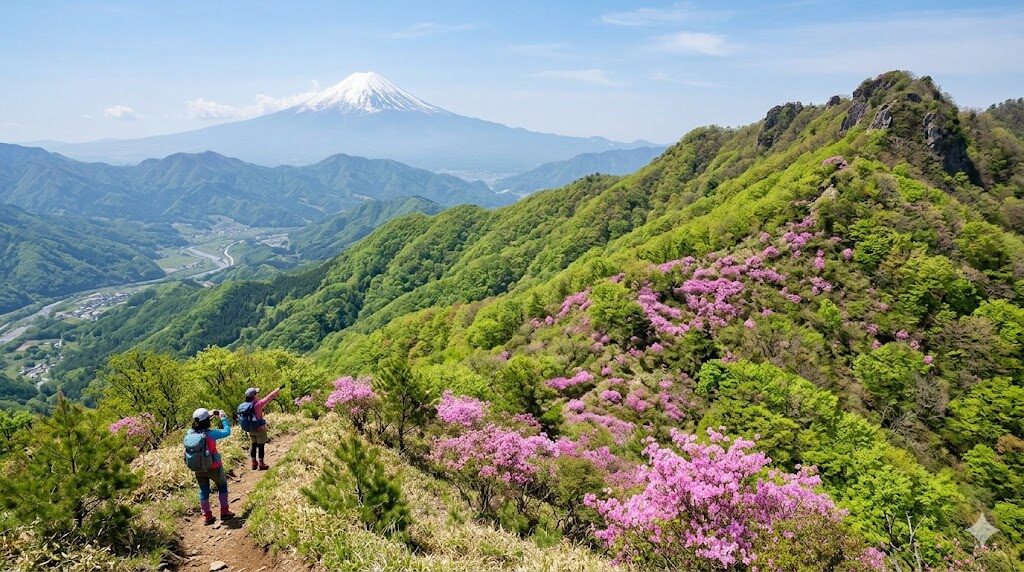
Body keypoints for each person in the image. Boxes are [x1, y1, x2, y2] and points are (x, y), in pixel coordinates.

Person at [187, 408, 234, 525]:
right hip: (214, 466)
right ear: (207, 421)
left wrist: (209, 414)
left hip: (198, 468)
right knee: (222, 486)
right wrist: (223, 418)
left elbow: (200, 423)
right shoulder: (211, 434)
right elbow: (227, 431)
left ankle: (207, 516)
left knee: (203, 491)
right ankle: (224, 511)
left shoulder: (189, 433)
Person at [243, 386, 283, 470]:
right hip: (260, 429)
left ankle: (253, 463)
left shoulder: (244, 406)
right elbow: (269, 397)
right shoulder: (258, 404)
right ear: (254, 396)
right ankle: (261, 464)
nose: (258, 395)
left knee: (253, 445)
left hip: (250, 429)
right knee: (261, 446)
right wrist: (278, 388)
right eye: (256, 394)